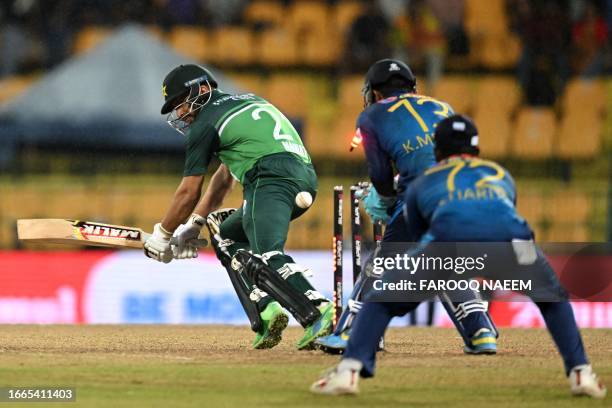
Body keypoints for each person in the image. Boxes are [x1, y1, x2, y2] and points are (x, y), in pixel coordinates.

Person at [310, 115, 607, 399]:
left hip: (448, 243)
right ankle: (581, 373)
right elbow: (504, 212)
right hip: (515, 244)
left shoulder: (424, 180)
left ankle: (348, 372)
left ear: (437, 150)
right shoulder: (499, 173)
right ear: (476, 148)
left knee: (379, 298)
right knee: (553, 298)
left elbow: (418, 231)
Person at [143, 64, 334, 350]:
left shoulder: (207, 121)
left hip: (269, 177)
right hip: (303, 178)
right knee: (226, 233)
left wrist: (163, 234)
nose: (181, 112)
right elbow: (223, 179)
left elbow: (188, 190)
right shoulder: (248, 100)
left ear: (203, 89)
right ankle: (266, 310)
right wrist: (194, 225)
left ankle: (321, 314)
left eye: (181, 102)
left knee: (268, 254)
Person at [316, 59, 498, 354]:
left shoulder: (371, 117)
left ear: (374, 93)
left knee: (381, 265)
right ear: (412, 87)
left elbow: (379, 175)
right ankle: (481, 332)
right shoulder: (443, 106)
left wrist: (387, 199)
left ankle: (350, 332)